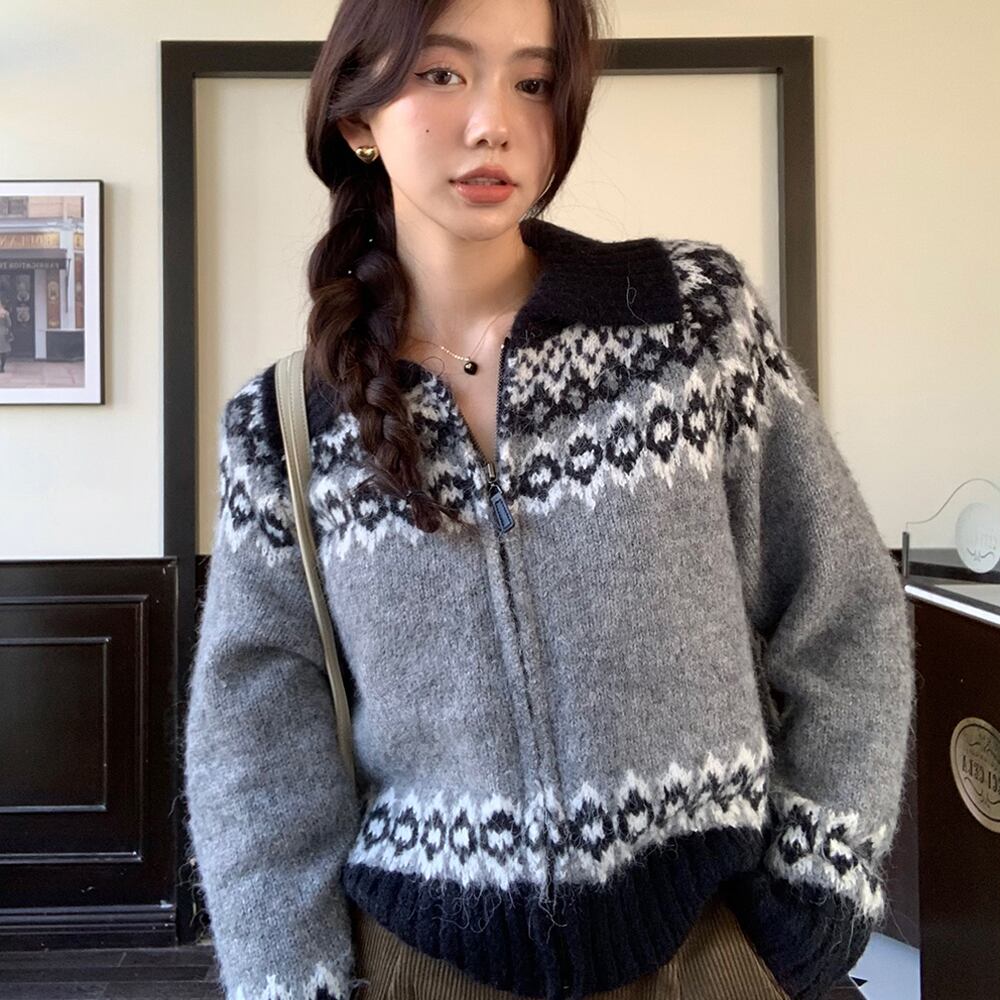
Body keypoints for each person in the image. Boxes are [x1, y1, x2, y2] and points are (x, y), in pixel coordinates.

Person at [182, 1, 916, 999]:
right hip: (420, 965)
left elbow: (844, 610)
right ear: (357, 118)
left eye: (533, 83)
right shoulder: (283, 427)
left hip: (715, 949)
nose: (495, 122)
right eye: (441, 75)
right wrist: (291, 982)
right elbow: (256, 745)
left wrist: (815, 889)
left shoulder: (688, 323)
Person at [0, 300, 12, 372]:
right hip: (3, 332)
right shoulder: (5, 313)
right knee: (4, 351)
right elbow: (9, 324)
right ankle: (2, 366)